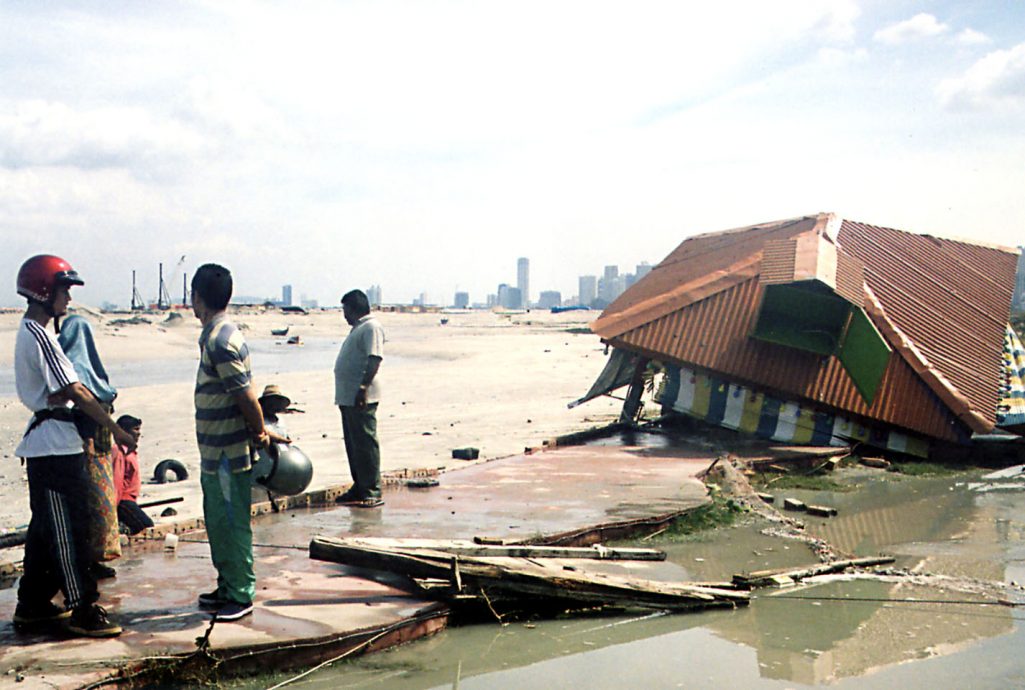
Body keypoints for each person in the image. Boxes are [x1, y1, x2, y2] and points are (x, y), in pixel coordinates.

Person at [12, 255, 135, 638]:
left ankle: (33, 603)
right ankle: (83, 607)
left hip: (55, 443)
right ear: (44, 292)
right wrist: (115, 429)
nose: (68, 298)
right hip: (52, 449)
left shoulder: (36, 332)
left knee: (45, 530)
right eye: (64, 290)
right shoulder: (38, 334)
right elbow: (77, 390)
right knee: (69, 530)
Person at [191, 263, 268, 622]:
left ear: (197, 297)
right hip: (214, 450)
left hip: (227, 452)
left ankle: (240, 593)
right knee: (218, 521)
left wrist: (260, 431)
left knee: (232, 522)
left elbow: (246, 397)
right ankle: (227, 585)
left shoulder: (220, 341)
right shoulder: (216, 336)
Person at [57, 314, 122, 580]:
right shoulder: (75, 372)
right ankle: (85, 564)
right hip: (86, 451)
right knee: (90, 508)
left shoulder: (88, 371)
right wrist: (89, 443)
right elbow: (79, 407)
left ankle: (93, 561)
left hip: (100, 452)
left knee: (99, 509)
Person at [333, 289, 385, 508]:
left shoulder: (371, 327)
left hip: (361, 396)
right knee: (354, 445)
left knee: (365, 444)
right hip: (348, 397)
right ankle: (360, 486)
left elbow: (374, 359)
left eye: (345, 310)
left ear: (354, 309)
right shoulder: (358, 328)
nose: (344, 315)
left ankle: (372, 489)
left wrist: (363, 387)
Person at [110, 414, 154, 535]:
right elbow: (116, 481)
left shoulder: (130, 452)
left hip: (130, 501)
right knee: (146, 527)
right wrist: (113, 509)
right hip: (123, 501)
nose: (139, 434)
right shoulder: (118, 451)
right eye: (135, 429)